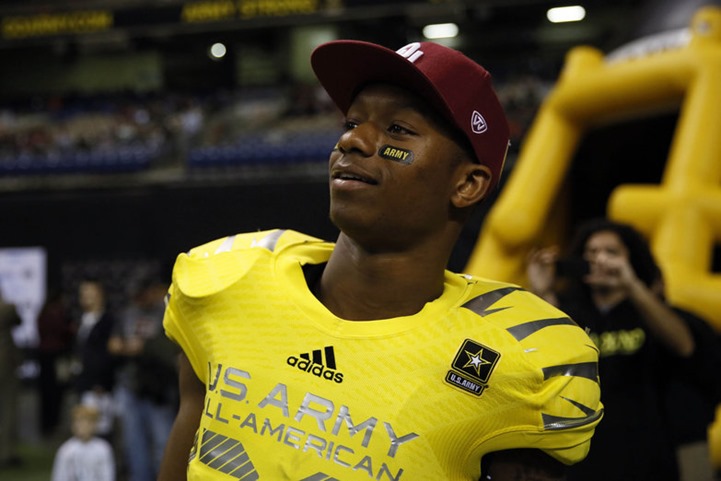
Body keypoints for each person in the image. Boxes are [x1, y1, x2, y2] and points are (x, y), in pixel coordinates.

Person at [158, 39, 603, 481]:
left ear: (467, 183)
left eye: (398, 131)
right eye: (352, 122)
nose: (352, 139)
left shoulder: (520, 357)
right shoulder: (231, 282)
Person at [527, 218, 720, 481]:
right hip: (586, 455)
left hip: (652, 454)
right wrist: (543, 291)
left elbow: (683, 345)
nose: (600, 260)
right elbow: (551, 354)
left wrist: (630, 282)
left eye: (611, 252)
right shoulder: (571, 311)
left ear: (632, 260)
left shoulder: (652, 313)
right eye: (591, 253)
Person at [107, 277, 178, 481]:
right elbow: (113, 344)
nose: (139, 298)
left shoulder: (166, 313)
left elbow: (170, 350)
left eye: (143, 293)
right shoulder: (127, 313)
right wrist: (128, 347)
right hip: (131, 386)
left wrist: (143, 347)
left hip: (159, 390)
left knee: (163, 445)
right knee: (134, 445)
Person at [72, 277, 117, 442]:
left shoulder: (107, 321)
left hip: (99, 387)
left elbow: (108, 353)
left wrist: (101, 382)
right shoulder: (82, 319)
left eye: (90, 292)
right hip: (84, 383)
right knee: (84, 430)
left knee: (100, 430)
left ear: (101, 295)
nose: (86, 296)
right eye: (83, 292)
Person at [36, 288, 75, 437]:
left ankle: (46, 424)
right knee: (57, 392)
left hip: (44, 356)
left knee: (46, 392)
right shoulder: (58, 313)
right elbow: (66, 332)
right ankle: (53, 423)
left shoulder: (42, 313)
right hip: (57, 357)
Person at [51, 404, 115, 481]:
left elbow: (107, 476)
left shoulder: (103, 449)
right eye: (78, 422)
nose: (82, 426)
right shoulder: (66, 450)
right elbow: (60, 476)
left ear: (95, 425)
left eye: (87, 422)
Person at [0, 287, 22, 469]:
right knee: (8, 406)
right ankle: (6, 453)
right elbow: (18, 321)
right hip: (5, 362)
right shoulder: (7, 307)